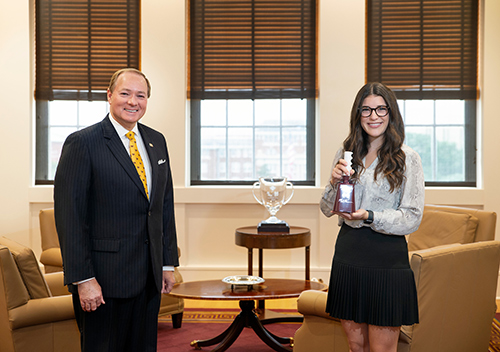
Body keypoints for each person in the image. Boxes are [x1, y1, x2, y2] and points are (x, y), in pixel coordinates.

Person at [54, 68, 179, 352]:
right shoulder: (83, 143)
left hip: (148, 277)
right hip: (104, 280)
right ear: (109, 96)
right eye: (125, 93)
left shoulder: (156, 141)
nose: (133, 101)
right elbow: (69, 217)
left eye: (141, 95)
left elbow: (163, 205)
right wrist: (83, 279)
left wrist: (166, 263)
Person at [320, 82, 425, 352]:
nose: (373, 116)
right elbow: (326, 208)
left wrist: (369, 215)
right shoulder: (347, 154)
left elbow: (411, 217)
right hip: (348, 254)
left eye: (380, 109)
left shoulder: (407, 158)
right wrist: (333, 183)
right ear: (358, 114)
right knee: (356, 346)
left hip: (386, 260)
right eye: (366, 110)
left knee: (382, 350)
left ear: (391, 113)